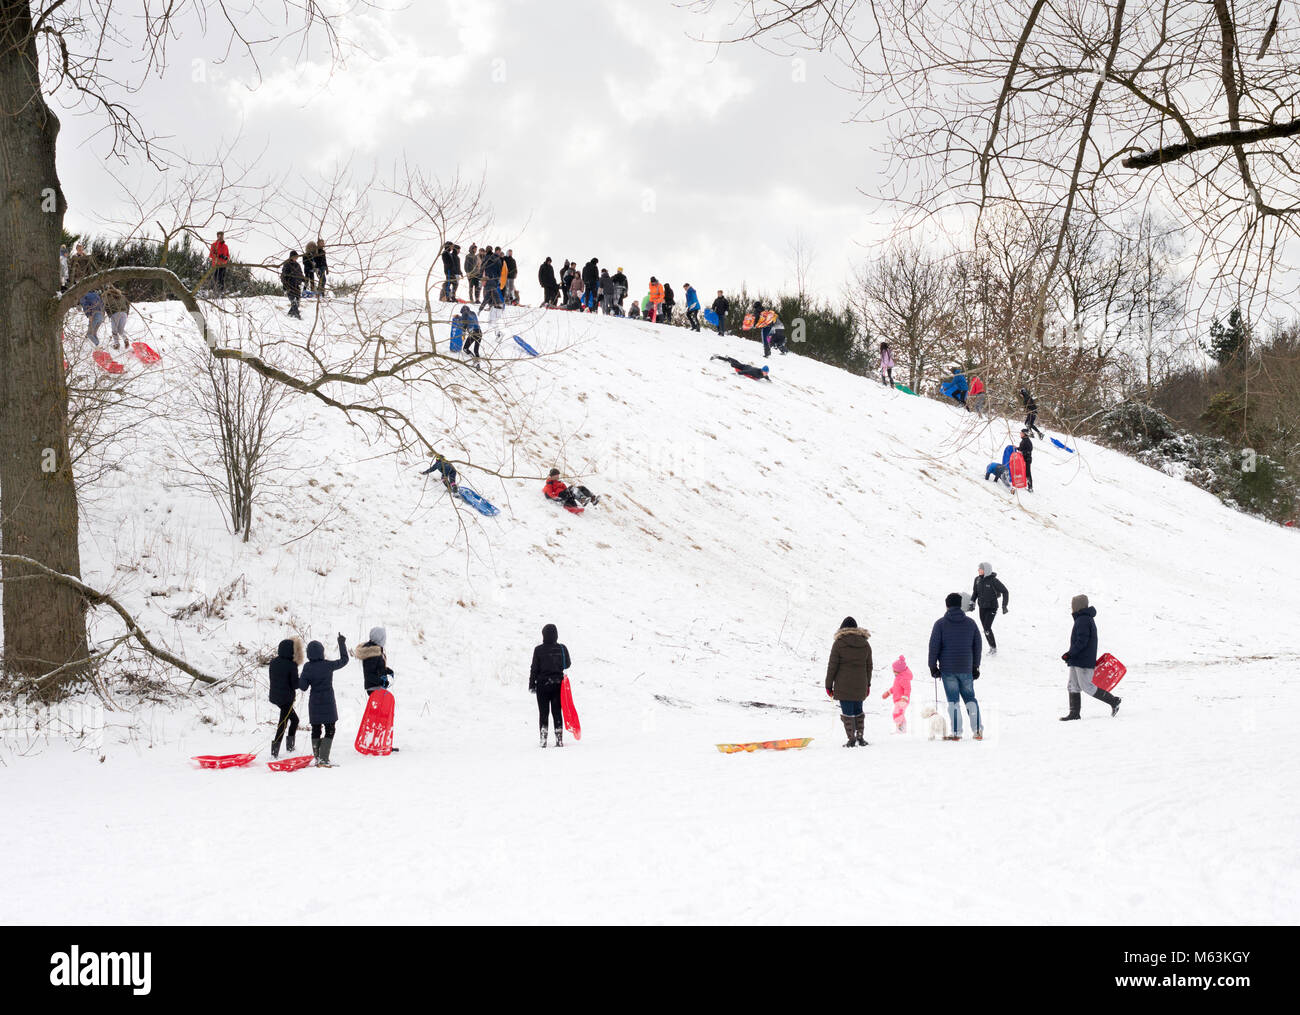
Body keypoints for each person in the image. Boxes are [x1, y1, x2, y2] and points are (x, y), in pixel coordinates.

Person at [927, 592, 983, 741]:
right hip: (966, 668)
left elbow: (934, 647)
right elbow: (977, 646)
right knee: (970, 699)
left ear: (947, 606)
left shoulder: (940, 624)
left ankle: (957, 732)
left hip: (948, 670)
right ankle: (977, 730)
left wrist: (933, 667)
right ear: (960, 605)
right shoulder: (971, 624)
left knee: (953, 701)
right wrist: (976, 666)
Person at [1060, 595, 1121, 720]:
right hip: (1078, 659)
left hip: (1082, 661)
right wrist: (1071, 655)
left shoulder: (1083, 620)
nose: (1072, 608)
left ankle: (1114, 701)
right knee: (1073, 685)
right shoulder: (1083, 619)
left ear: (1078, 606)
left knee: (1087, 686)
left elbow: (1082, 641)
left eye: (1073, 605)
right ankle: (1074, 713)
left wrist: (1070, 653)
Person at [299, 633, 349, 767]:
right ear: (322, 652)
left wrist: (300, 677)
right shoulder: (328, 665)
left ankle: (318, 758)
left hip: (314, 703)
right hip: (328, 702)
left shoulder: (307, 667)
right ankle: (324, 758)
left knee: (316, 729)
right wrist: (341, 643)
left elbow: (303, 687)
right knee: (330, 729)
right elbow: (344, 660)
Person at [824, 617, 872, 747]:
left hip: (843, 686)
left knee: (848, 713)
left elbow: (832, 666)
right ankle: (860, 738)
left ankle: (851, 739)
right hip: (860, 684)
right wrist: (868, 684)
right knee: (858, 711)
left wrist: (828, 685)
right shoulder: (865, 643)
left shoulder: (839, 643)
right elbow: (869, 666)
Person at [529, 623, 571, 747]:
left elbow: (534, 668)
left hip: (542, 685)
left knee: (543, 713)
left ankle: (543, 739)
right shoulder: (562, 648)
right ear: (556, 635)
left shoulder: (538, 650)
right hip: (558, 685)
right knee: (557, 712)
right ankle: (559, 739)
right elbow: (567, 664)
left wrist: (532, 684)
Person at [268, 635, 304, 760]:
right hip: (286, 699)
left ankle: (289, 748)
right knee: (283, 724)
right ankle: (276, 752)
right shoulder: (291, 665)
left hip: (275, 697)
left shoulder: (273, 662)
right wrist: (301, 678)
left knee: (294, 720)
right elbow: (295, 685)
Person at [968, 562, 1009, 654]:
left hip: (992, 607)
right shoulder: (977, 580)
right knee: (985, 628)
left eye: (980, 569)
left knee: (987, 627)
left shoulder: (993, 581)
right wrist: (972, 603)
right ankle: (991, 647)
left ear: (986, 570)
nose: (978, 570)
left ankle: (993, 648)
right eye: (979, 569)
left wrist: (1004, 606)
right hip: (982, 607)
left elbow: (1005, 591)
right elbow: (975, 593)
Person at [358, 626, 395, 695]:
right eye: (384, 638)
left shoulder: (375, 650)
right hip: (374, 688)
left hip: (377, 687)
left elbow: (377, 667)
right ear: (379, 639)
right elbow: (369, 674)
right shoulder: (372, 652)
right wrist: (382, 682)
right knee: (382, 705)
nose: (385, 640)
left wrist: (387, 670)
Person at [881, 655, 913, 733]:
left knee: (897, 714)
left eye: (894, 670)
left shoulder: (904, 678)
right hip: (898, 700)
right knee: (900, 714)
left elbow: (907, 689)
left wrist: (904, 698)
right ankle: (901, 730)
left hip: (902, 700)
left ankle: (900, 730)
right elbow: (895, 687)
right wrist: (888, 692)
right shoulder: (898, 677)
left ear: (899, 671)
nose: (893, 671)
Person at [103, 284, 130, 350]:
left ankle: (116, 344)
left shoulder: (107, 296)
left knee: (114, 330)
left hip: (115, 314)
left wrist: (108, 314)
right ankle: (125, 339)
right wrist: (126, 313)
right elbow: (128, 304)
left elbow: (104, 306)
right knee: (121, 330)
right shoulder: (122, 296)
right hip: (124, 313)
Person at [281, 251, 305, 319]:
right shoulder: (287, 264)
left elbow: (300, 274)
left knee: (297, 301)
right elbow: (283, 276)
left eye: (296, 257)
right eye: (295, 257)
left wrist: (304, 279)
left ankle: (290, 314)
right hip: (289, 286)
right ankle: (297, 315)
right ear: (291, 257)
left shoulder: (297, 265)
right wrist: (285, 286)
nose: (296, 258)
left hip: (296, 286)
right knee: (293, 301)